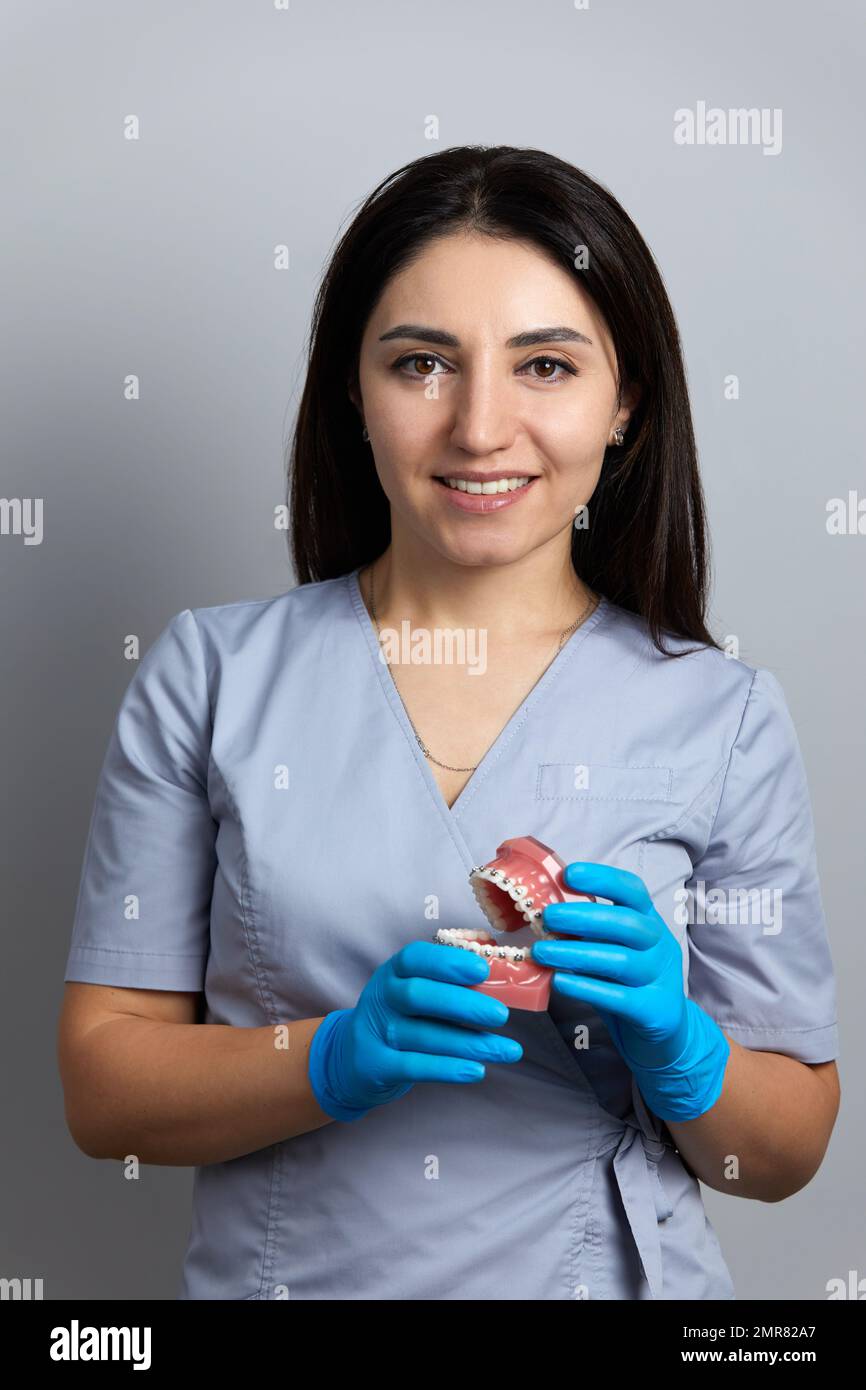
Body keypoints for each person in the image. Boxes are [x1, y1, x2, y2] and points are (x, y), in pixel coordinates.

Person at [58, 145, 840, 1300]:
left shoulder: (718, 715)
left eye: (545, 366)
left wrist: (681, 1044)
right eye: (421, 362)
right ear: (351, 391)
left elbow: (780, 1154)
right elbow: (102, 1092)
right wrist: (324, 1057)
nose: (480, 427)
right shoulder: (210, 675)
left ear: (623, 404)